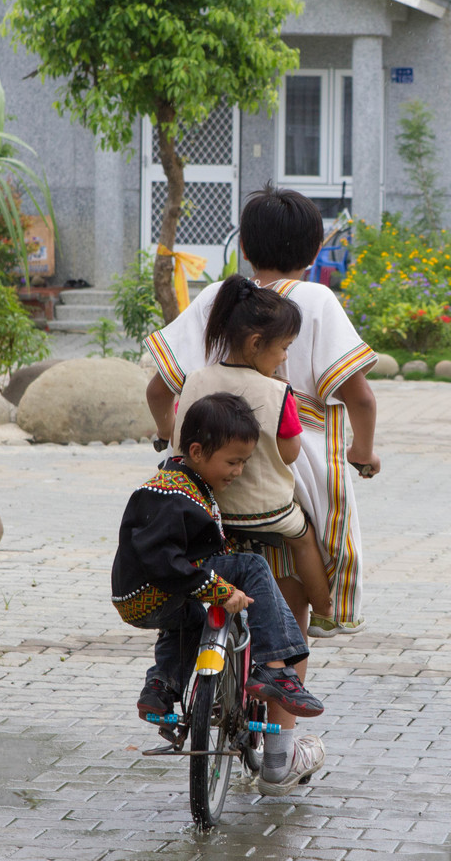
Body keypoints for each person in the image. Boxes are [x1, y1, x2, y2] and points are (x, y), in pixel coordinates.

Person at [145, 184, 380, 641]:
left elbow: (159, 390)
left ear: (246, 248)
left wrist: (167, 432)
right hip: (296, 468)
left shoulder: (220, 296)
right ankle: (323, 614)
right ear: (314, 251)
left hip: (212, 469)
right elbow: (362, 399)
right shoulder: (315, 300)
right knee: (294, 608)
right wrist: (362, 451)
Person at [111, 392, 326, 794]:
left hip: (150, 600)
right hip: (155, 588)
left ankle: (161, 688)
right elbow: (161, 559)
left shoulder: (183, 483)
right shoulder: (170, 492)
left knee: (188, 622)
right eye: (232, 462)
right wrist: (212, 586)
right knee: (253, 567)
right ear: (195, 451)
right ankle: (276, 669)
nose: (239, 471)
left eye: (244, 462)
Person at [172, 274, 333, 621]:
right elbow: (289, 454)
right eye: (284, 348)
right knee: (304, 536)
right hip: (265, 511)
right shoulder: (277, 392)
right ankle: (324, 609)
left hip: (203, 508)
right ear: (257, 343)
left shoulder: (195, 380)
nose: (285, 356)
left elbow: (177, 441)